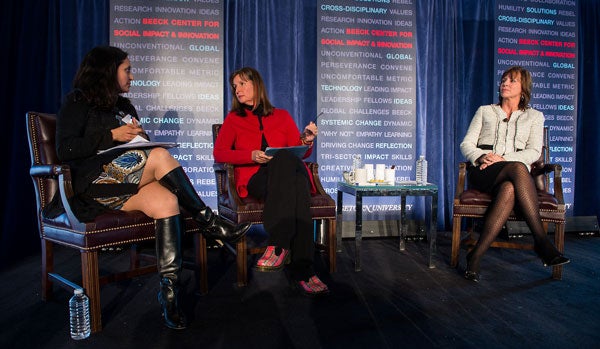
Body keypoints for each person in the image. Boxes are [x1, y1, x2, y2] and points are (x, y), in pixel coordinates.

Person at [53, 46, 251, 329]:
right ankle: (210, 222)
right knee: (158, 156)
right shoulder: (78, 102)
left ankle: (169, 294)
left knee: (167, 201)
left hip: (127, 182)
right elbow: (65, 149)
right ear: (109, 71)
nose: (132, 76)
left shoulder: (125, 107)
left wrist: (139, 137)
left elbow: (134, 148)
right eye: (127, 69)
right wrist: (111, 135)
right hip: (95, 185)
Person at [213, 67, 329, 296]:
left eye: (242, 84)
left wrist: (306, 141)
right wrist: (251, 156)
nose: (238, 90)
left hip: (287, 176)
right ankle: (304, 271)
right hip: (257, 180)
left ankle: (279, 245)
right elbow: (220, 153)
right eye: (235, 86)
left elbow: (300, 154)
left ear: (256, 85)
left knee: (287, 160)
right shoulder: (234, 119)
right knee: (295, 182)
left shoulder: (282, 116)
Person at [459, 66, 570, 282]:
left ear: (523, 88)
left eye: (512, 81)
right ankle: (541, 242)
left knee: (510, 186)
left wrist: (504, 159)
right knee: (518, 169)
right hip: (484, 171)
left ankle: (475, 256)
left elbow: (533, 151)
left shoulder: (535, 116)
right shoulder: (485, 111)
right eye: (503, 80)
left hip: (512, 173)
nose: (505, 84)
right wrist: (481, 157)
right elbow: (467, 143)